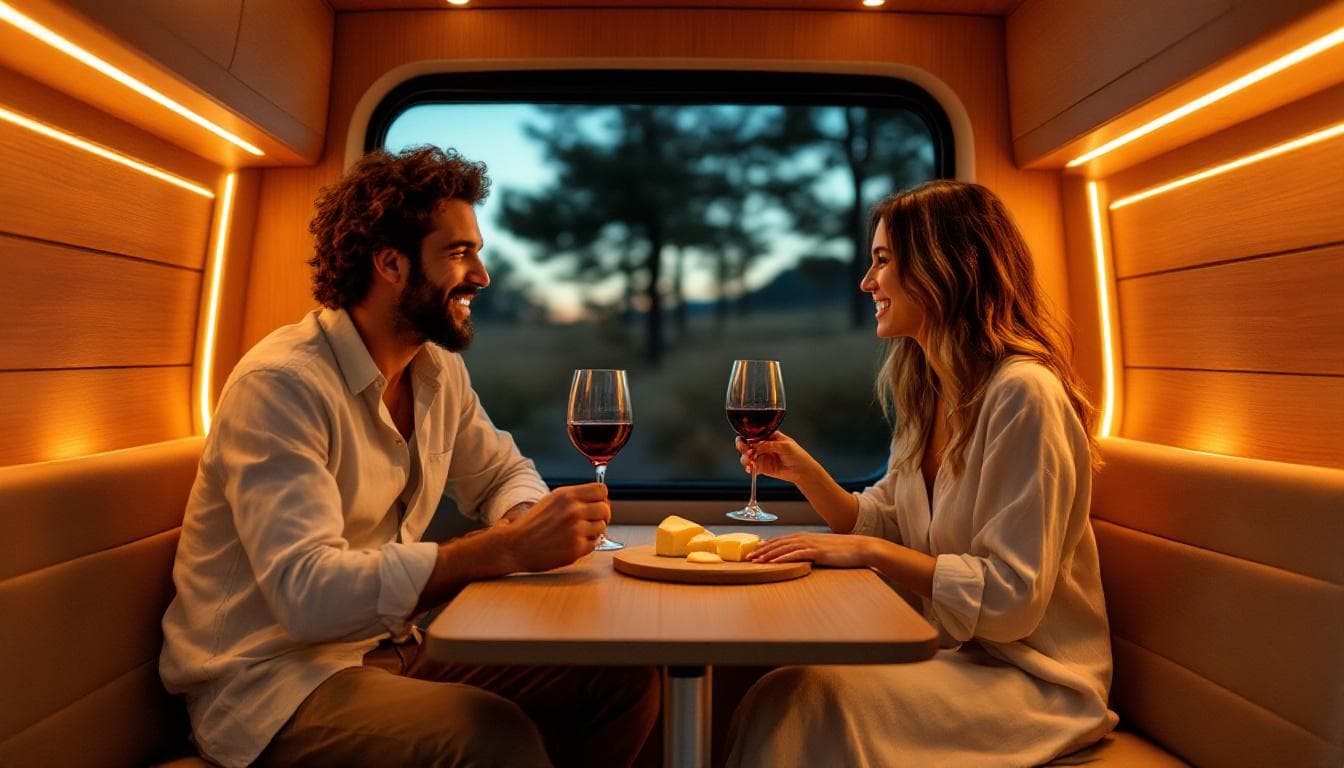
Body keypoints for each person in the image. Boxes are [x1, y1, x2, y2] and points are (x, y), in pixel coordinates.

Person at [160, 146, 659, 768]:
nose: (482, 275)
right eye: (459, 253)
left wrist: (525, 519)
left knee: (617, 680)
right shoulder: (281, 386)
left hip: (396, 648)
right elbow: (307, 594)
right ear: (390, 262)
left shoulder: (436, 370)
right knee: (491, 736)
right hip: (274, 683)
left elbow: (502, 473)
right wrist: (503, 550)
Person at [726, 180, 1118, 766]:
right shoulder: (929, 391)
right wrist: (807, 476)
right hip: (956, 656)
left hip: (1033, 681)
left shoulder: (1023, 395)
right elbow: (885, 518)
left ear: (944, 266)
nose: (867, 282)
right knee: (781, 687)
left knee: (807, 698)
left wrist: (869, 553)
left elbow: (1012, 600)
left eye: (883, 261)